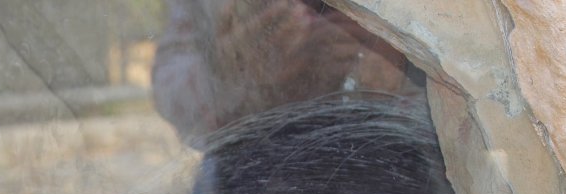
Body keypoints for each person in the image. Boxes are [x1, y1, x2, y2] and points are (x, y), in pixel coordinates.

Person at [152, 0, 419, 148]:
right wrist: (230, 75)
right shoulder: (213, 10)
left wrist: (395, 72)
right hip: (243, 188)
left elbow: (456, 72)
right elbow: (169, 86)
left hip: (403, 182)